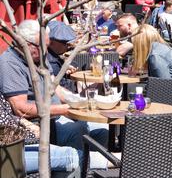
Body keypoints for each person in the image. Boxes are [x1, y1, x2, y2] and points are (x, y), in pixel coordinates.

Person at [0, 20, 108, 162]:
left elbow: (54, 87)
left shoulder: (39, 57)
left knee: (102, 129)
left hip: (56, 116)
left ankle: (90, 177)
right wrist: (65, 109)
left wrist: (77, 100)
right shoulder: (10, 64)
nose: (46, 51)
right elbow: (20, 109)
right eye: (41, 46)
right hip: (38, 124)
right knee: (77, 131)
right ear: (23, 43)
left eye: (47, 45)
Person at [47, 21, 78, 91]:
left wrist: (64, 68)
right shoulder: (52, 63)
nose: (68, 46)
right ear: (50, 42)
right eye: (64, 43)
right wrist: (78, 84)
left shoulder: (51, 54)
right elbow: (61, 86)